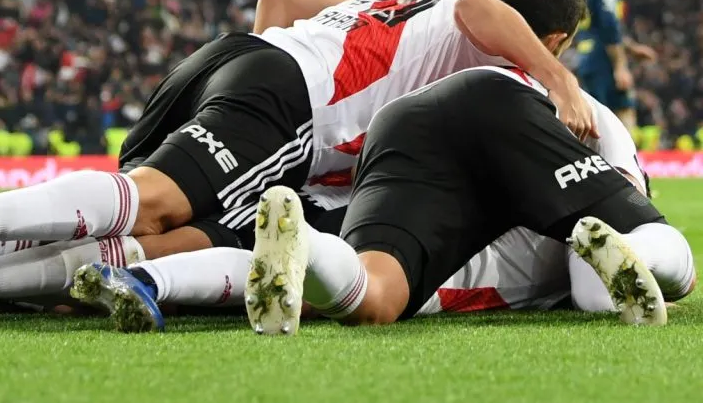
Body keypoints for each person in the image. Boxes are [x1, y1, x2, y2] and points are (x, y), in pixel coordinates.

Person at [0, 0, 596, 326]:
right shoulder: (480, 36)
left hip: (237, 61)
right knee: (154, 206)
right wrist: (560, 81)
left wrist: (274, 68)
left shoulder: (407, 0)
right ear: (555, 38)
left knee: (189, 221)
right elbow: (480, 3)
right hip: (291, 99)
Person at [61, 88, 692, 331]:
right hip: (457, 241)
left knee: (301, 268)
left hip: (398, 146)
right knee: (370, 296)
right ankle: (158, 277)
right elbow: (591, 286)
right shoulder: (567, 235)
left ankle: (144, 278)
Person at [246, 65, 695, 335]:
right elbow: (593, 288)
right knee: (671, 257)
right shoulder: (601, 131)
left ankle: (304, 241)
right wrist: (650, 279)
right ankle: (648, 252)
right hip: (502, 110)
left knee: (375, 297)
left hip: (402, 121)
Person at [574, 0, 657, 131]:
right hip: (604, 61)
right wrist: (621, 65)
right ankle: (625, 162)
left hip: (587, 56)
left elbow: (597, 26)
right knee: (622, 116)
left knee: (596, 120)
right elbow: (609, 27)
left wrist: (630, 47)